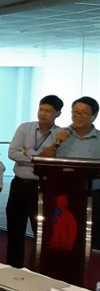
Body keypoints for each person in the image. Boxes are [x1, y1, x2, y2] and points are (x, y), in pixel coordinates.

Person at [6, 95, 63, 267]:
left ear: (58, 114)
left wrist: (28, 153)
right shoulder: (25, 128)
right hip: (19, 185)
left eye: (48, 111)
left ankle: (37, 269)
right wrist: (39, 158)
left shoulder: (60, 134)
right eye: (41, 109)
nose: (43, 113)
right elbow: (12, 153)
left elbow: (54, 161)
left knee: (41, 232)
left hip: (43, 188)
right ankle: (13, 268)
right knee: (15, 231)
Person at [46, 96, 100, 251]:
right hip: (62, 194)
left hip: (92, 194)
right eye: (75, 112)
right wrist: (56, 143)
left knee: (90, 239)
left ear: (94, 116)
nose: (78, 116)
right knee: (61, 237)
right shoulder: (59, 134)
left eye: (83, 113)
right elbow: (43, 159)